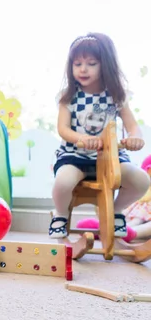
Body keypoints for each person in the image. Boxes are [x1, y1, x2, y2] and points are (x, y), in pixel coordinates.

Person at [49, 32, 150, 239]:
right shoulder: (68, 96)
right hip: (75, 156)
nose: (83, 69)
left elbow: (133, 126)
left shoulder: (116, 95)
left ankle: (116, 211)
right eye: (77, 64)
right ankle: (60, 214)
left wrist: (134, 138)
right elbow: (63, 129)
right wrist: (82, 139)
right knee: (63, 181)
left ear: (106, 65)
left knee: (141, 180)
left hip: (109, 158)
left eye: (91, 63)